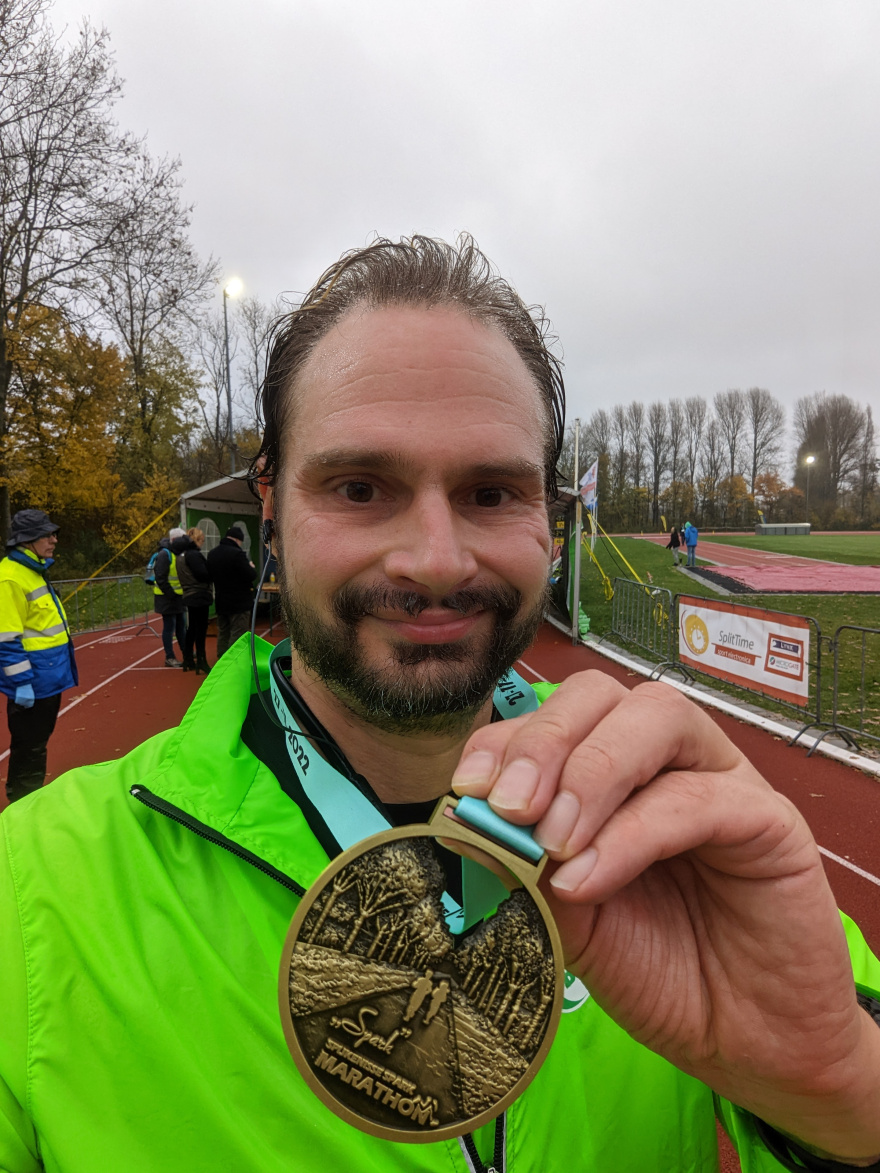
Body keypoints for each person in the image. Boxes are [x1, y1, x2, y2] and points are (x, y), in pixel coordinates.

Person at [0, 237, 878, 1173]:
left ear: (547, 522)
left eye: (491, 491)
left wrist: (835, 1082)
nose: (436, 558)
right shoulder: (36, 893)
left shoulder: (683, 831)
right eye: (360, 487)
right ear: (273, 505)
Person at [0, 510, 77, 804]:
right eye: (47, 534)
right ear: (27, 540)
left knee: (36, 745)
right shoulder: (10, 578)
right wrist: (21, 682)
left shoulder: (32, 570)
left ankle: (28, 801)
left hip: (46, 678)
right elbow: (7, 639)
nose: (54, 539)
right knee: (29, 748)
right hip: (32, 682)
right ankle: (23, 805)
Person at [206, 524, 257, 658]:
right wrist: (250, 566)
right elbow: (251, 575)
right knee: (238, 634)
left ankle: (221, 661)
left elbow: (210, 576)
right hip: (239, 602)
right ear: (237, 540)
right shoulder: (237, 554)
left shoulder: (212, 554)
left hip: (221, 601)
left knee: (223, 633)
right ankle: (234, 662)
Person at [177, 527, 213, 674]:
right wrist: (211, 573)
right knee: (200, 629)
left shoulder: (181, 555)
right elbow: (202, 574)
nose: (202, 544)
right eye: (202, 541)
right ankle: (201, 659)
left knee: (192, 628)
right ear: (197, 539)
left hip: (188, 593)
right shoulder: (194, 555)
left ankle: (188, 659)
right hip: (199, 594)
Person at [153, 526, 189, 666]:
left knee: (181, 626)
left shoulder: (177, 553)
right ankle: (169, 656)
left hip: (178, 597)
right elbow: (161, 578)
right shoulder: (164, 554)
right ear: (174, 540)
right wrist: (171, 594)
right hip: (166, 598)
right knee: (169, 627)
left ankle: (186, 651)